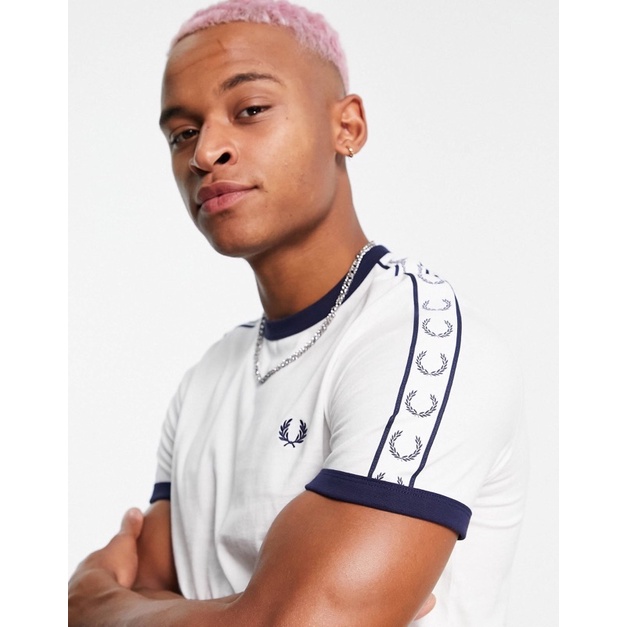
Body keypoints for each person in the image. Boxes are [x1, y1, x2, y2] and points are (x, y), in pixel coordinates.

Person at [68, 0, 528, 624]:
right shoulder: (208, 377)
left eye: (250, 110)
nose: (206, 152)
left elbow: (299, 622)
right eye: (182, 133)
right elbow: (172, 590)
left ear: (348, 127)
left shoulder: (423, 343)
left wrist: (98, 605)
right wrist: (250, 608)